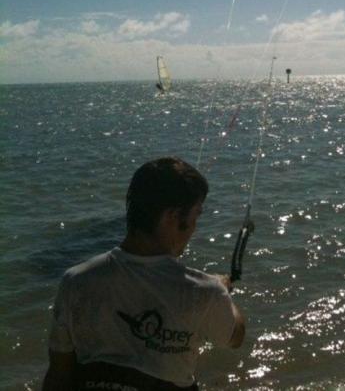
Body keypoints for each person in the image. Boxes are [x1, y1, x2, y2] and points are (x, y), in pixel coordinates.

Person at [42, 157, 245, 391]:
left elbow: (58, 373)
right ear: (172, 217)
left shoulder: (75, 280)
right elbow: (235, 336)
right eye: (196, 215)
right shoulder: (205, 292)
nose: (195, 227)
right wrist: (222, 290)